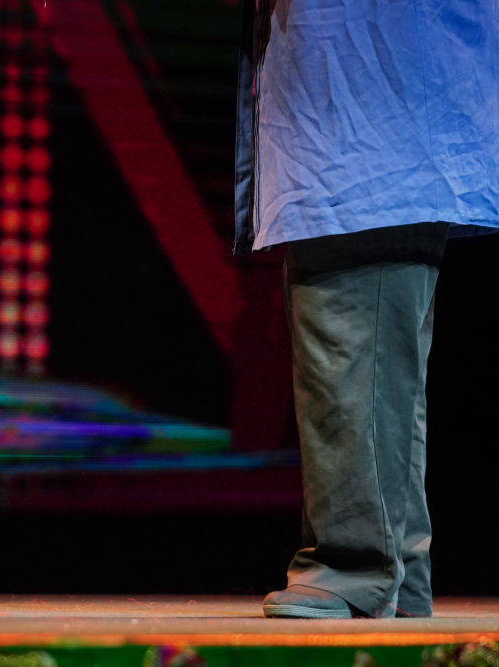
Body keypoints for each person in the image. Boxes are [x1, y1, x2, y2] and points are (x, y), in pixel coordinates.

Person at [235, 0, 499, 618]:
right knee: (378, 360)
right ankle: (397, 574)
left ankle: (355, 567)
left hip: (367, 102)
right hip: (365, 105)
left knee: (349, 336)